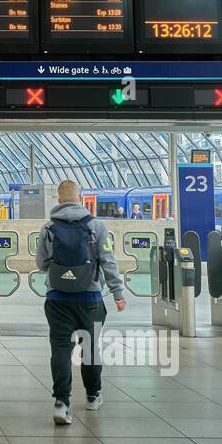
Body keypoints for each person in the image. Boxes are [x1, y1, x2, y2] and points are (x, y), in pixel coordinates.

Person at [35, 180, 128, 427]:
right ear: (81, 198)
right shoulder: (97, 227)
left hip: (57, 299)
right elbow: (109, 262)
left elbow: (41, 264)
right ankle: (92, 395)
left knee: (60, 349)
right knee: (90, 348)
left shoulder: (47, 228)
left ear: (58, 200)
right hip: (90, 299)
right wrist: (118, 293)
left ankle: (62, 403)